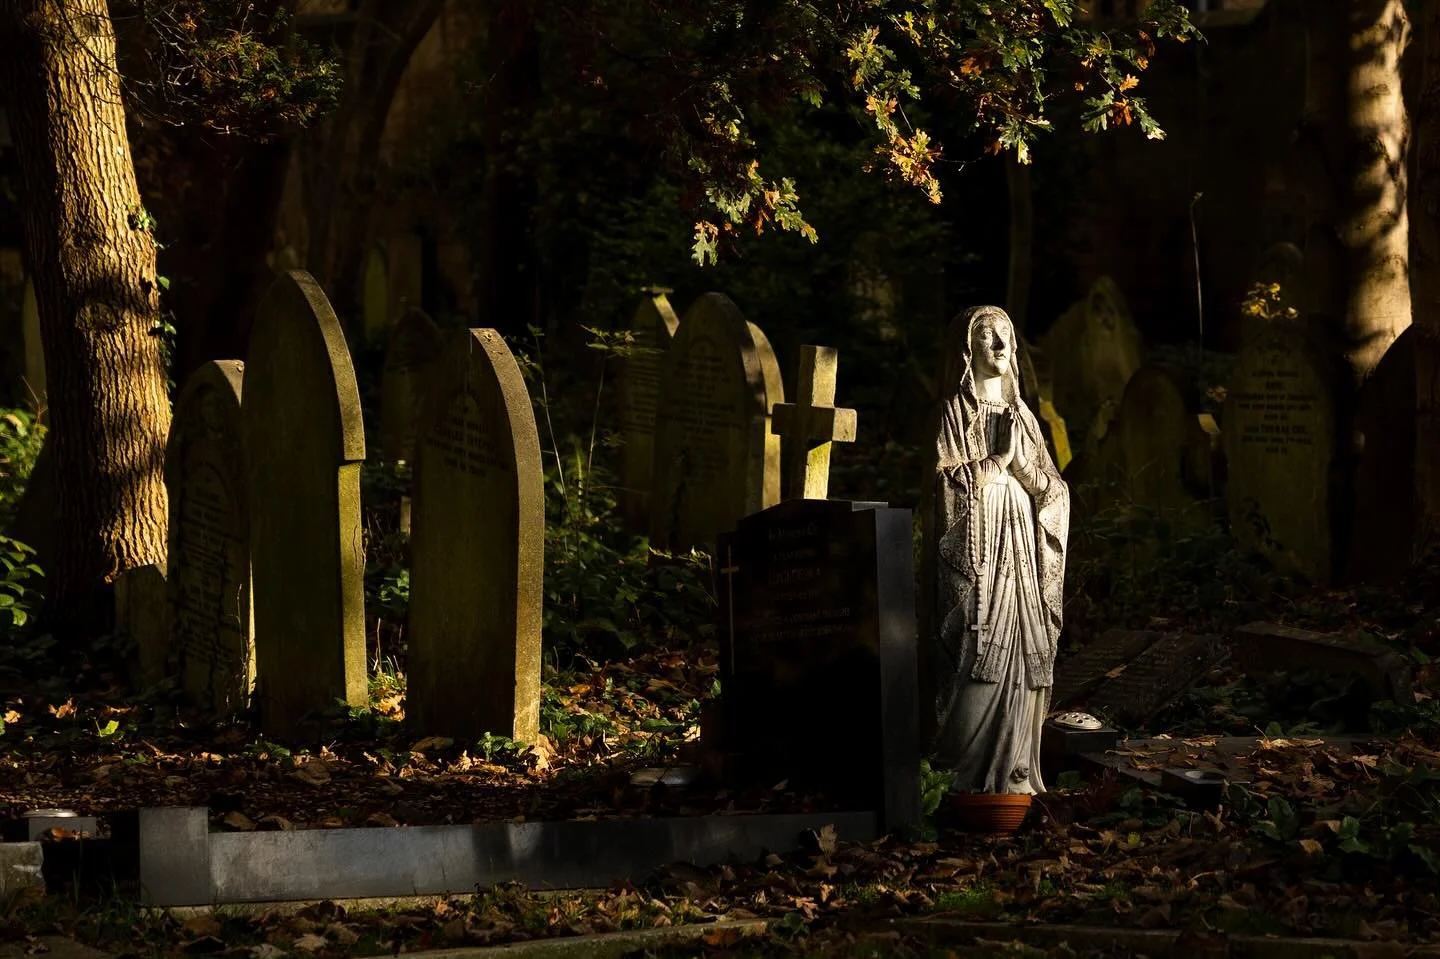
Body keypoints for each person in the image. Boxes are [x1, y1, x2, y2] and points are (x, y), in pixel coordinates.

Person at [923, 305, 1069, 794]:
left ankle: (1016, 780)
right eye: (989, 337)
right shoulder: (953, 413)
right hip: (978, 559)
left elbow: (1055, 493)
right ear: (969, 349)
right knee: (972, 655)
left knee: (1026, 659)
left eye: (1007, 336)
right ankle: (957, 781)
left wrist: (1023, 468)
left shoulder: (1024, 416)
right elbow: (946, 489)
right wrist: (994, 462)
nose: (1002, 347)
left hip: (1021, 558)